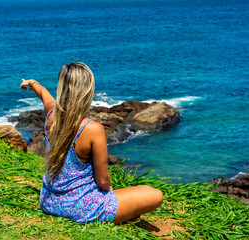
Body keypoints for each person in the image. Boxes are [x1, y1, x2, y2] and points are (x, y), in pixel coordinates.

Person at [20, 62, 163, 224]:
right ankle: (122, 216)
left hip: (49, 201)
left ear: (62, 88)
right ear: (87, 91)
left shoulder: (52, 115)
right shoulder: (92, 129)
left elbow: (45, 95)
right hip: (80, 206)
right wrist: (107, 190)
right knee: (155, 194)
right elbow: (103, 182)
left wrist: (32, 83)